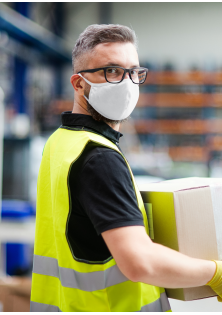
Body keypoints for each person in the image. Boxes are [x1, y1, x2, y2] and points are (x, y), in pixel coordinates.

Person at [30, 24, 222, 312]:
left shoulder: (60, 141)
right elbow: (139, 262)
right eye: (112, 71)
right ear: (78, 83)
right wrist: (216, 273)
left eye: (134, 72)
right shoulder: (98, 157)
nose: (127, 82)